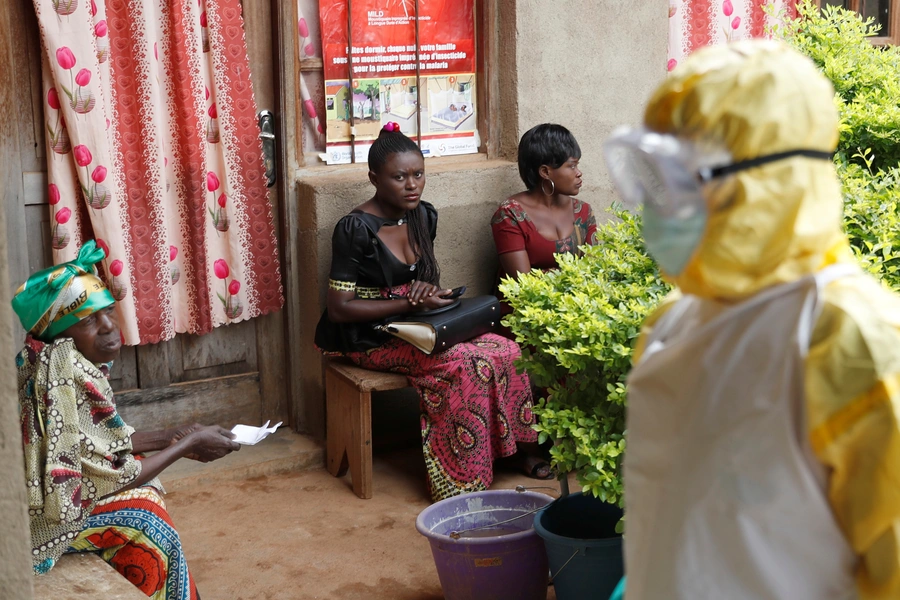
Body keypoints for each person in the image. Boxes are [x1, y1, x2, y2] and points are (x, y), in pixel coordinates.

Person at [603, 41, 900, 599]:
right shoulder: (674, 323)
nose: (658, 204)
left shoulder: (850, 337)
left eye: (681, 178)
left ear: (771, 182)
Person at [315, 124, 547, 499]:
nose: (412, 185)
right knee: (465, 363)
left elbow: (420, 283)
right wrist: (409, 302)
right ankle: (460, 479)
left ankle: (515, 450)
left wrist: (428, 294)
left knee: (506, 350)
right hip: (367, 336)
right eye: (399, 177)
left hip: (419, 324)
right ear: (374, 178)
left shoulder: (424, 216)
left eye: (418, 174)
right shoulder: (354, 228)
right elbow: (339, 309)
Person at [13, 240, 240, 599]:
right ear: (59, 335)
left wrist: (175, 435)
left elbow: (95, 442)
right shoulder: (59, 374)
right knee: (144, 516)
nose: (108, 327)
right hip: (39, 523)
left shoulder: (55, 358)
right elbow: (100, 480)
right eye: (88, 320)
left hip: (43, 497)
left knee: (141, 491)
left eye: (106, 311)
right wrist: (186, 445)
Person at [491, 124, 597, 336]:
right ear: (545, 172)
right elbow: (525, 286)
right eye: (571, 166)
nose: (579, 173)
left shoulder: (583, 212)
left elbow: (593, 273)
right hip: (526, 322)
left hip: (577, 314)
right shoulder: (510, 215)